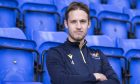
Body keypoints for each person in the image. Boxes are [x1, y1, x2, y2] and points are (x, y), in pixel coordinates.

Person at [46, 2, 120, 84]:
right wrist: (95, 77)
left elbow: (115, 81)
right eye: (73, 22)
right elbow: (61, 80)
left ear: (89, 24)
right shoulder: (55, 53)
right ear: (66, 24)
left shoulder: (98, 54)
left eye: (83, 21)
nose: (78, 27)